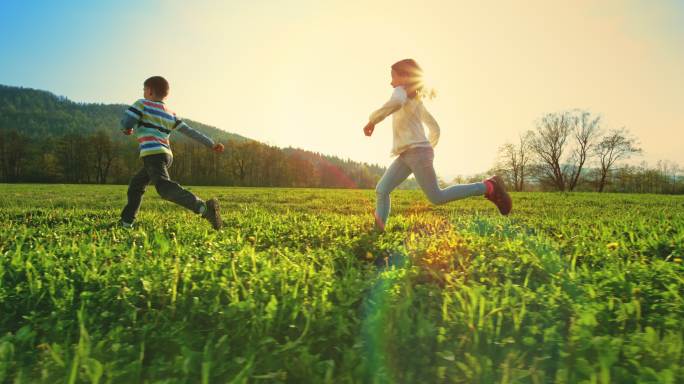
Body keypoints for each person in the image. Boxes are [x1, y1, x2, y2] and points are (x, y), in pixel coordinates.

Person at [363, 59, 512, 231]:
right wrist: (427, 149)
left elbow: (396, 102)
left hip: (416, 153)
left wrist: (372, 121)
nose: (391, 82)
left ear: (404, 78)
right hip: (408, 154)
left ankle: (488, 186)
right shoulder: (415, 100)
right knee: (382, 189)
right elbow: (435, 128)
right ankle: (377, 232)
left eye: (393, 77)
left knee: (436, 197)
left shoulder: (400, 92)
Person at [119, 76, 224, 230]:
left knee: (164, 188)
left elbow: (127, 121)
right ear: (165, 94)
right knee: (136, 185)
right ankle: (126, 222)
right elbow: (190, 131)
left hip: (153, 154)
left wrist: (127, 129)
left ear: (149, 90)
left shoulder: (142, 104)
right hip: (166, 155)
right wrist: (211, 144)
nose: (143, 93)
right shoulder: (170, 113)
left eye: (144, 90)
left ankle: (204, 208)